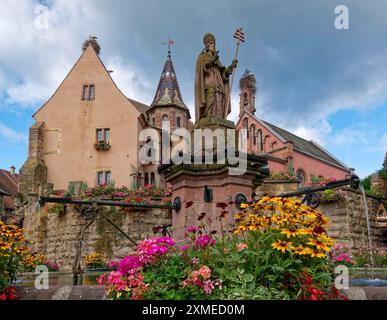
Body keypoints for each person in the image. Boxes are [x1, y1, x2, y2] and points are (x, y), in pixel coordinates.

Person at [195, 33, 238, 122]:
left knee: (220, 109)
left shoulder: (217, 60)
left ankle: (220, 121)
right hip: (209, 86)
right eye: (211, 44)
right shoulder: (202, 57)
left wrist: (231, 67)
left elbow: (224, 75)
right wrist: (212, 61)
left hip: (220, 87)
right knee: (210, 107)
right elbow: (202, 69)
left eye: (214, 44)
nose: (214, 46)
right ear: (207, 46)